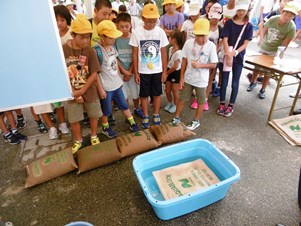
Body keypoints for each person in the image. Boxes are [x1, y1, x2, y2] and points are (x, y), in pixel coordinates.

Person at [63, 14, 103, 154]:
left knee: (93, 114)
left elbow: (94, 73)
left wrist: (81, 91)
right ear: (73, 34)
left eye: (88, 37)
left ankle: (93, 135)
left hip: (89, 90)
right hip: (71, 91)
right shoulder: (63, 50)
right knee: (74, 118)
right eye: (82, 37)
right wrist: (74, 92)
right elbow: (62, 73)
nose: (86, 40)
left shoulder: (90, 50)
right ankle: (78, 140)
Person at [95, 19, 140, 137]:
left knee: (124, 105)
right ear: (101, 36)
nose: (113, 39)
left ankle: (132, 122)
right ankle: (105, 127)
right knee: (106, 110)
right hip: (106, 87)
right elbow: (94, 73)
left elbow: (115, 63)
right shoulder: (97, 51)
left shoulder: (112, 47)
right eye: (110, 37)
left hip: (116, 84)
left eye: (114, 37)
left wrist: (120, 79)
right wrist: (100, 89)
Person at [171, 18, 218, 130]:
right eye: (197, 35)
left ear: (207, 34)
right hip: (188, 78)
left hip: (202, 80)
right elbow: (184, 61)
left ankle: (196, 120)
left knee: (201, 101)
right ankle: (176, 117)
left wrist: (200, 65)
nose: (200, 38)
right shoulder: (188, 43)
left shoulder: (211, 46)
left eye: (203, 35)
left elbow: (214, 64)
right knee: (182, 98)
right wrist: (181, 77)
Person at [246, 2, 297, 99]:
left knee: (268, 71)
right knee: (257, 67)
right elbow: (264, 28)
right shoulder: (274, 19)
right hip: (264, 47)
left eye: (290, 16)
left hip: (275, 51)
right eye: (285, 14)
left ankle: (263, 89)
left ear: (293, 17)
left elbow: (284, 45)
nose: (286, 17)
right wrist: (261, 39)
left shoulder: (291, 27)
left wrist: (278, 57)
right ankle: (252, 82)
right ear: (282, 12)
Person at [129, 4, 169, 128]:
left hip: (157, 70)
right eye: (148, 21)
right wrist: (136, 72)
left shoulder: (160, 32)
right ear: (143, 18)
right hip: (143, 70)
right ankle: (146, 115)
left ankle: (156, 114)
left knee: (157, 93)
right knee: (144, 94)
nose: (151, 24)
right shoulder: (136, 33)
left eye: (153, 21)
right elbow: (134, 54)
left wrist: (164, 71)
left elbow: (163, 52)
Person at [217, 0, 253, 117]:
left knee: (235, 82)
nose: (241, 12)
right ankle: (222, 103)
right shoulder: (229, 23)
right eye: (239, 10)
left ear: (247, 10)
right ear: (236, 10)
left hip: (238, 56)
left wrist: (234, 53)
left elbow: (246, 43)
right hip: (227, 55)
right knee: (224, 81)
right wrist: (228, 54)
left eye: (243, 10)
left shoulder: (249, 26)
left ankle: (231, 105)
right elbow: (225, 39)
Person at [114, 13, 144, 119]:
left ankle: (136, 108)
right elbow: (115, 57)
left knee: (135, 93)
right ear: (117, 25)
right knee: (124, 95)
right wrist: (124, 71)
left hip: (133, 71)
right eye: (121, 27)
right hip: (121, 73)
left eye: (127, 26)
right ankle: (128, 113)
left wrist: (130, 71)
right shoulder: (115, 39)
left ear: (130, 25)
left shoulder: (134, 38)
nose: (124, 29)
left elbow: (135, 56)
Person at [204, 2, 223, 110]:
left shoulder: (221, 29)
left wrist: (213, 53)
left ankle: (205, 99)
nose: (214, 20)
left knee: (210, 79)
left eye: (216, 17)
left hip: (213, 58)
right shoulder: (205, 26)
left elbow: (220, 44)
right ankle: (199, 98)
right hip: (202, 57)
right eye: (212, 17)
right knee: (201, 78)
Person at [164, 30, 183, 114]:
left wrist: (166, 73)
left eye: (170, 37)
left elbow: (175, 66)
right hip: (169, 70)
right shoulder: (170, 48)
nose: (168, 39)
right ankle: (170, 103)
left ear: (174, 40)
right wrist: (165, 70)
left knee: (174, 90)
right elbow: (169, 60)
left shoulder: (179, 52)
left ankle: (175, 105)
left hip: (175, 73)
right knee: (167, 90)